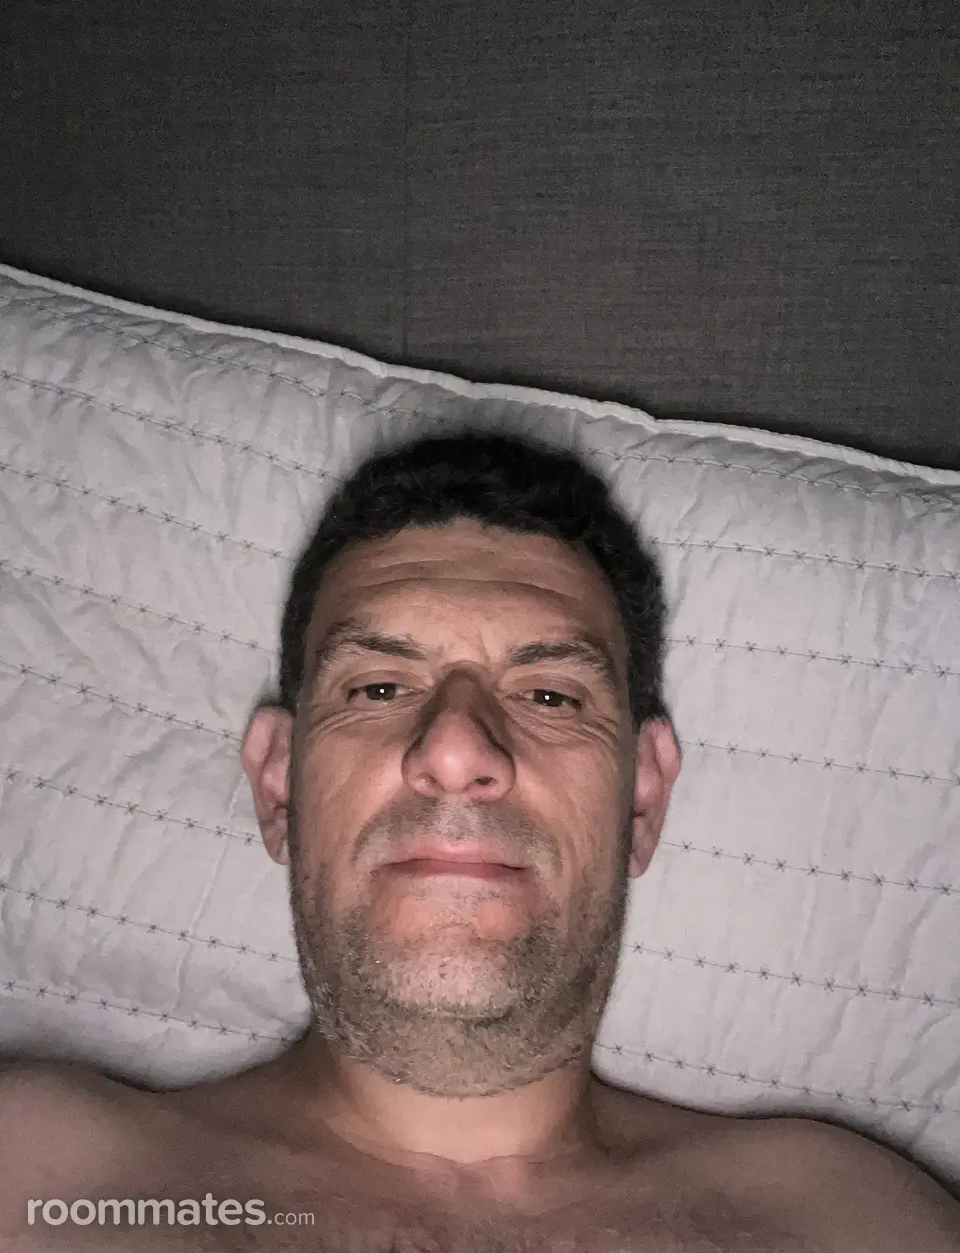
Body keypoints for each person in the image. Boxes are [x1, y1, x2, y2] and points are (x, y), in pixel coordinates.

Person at [1, 431, 958, 1252]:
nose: (456, 752)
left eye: (550, 695)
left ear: (641, 800)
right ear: (279, 786)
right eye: (378, 688)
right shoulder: (39, 1175)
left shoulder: (848, 1217)